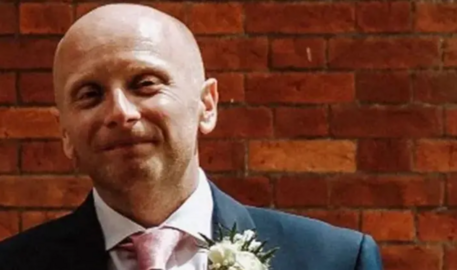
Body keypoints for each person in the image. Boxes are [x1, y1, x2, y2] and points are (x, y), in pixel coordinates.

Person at [0, 3, 383, 270]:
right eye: (90, 94)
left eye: (144, 84)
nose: (119, 112)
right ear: (65, 133)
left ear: (207, 105)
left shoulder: (332, 260)